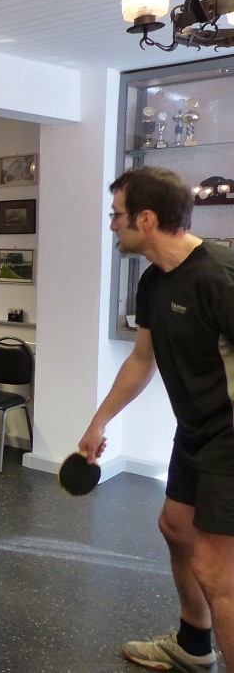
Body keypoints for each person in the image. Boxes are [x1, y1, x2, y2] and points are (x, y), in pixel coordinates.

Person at [78, 167, 234, 673]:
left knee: (216, 570)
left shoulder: (219, 277)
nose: (111, 225)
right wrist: (99, 422)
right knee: (175, 527)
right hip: (196, 432)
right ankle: (193, 645)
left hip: (230, 438)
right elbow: (142, 359)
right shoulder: (153, 280)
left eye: (116, 215)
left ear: (145, 219)